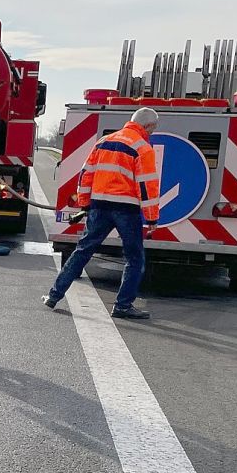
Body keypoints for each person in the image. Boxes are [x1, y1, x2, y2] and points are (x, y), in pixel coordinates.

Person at [43, 107, 161, 319]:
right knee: (134, 258)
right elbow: (147, 186)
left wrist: (85, 203)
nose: (152, 132)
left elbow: (86, 175)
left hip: (99, 206)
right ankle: (122, 306)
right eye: (153, 128)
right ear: (148, 126)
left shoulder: (104, 141)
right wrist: (152, 217)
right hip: (126, 209)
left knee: (82, 251)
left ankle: (54, 295)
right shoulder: (142, 148)